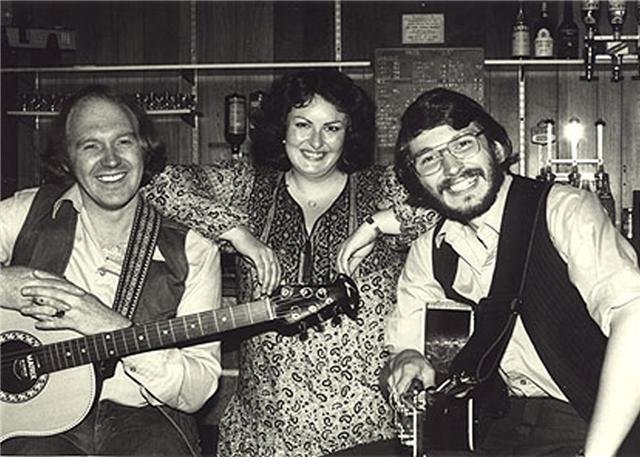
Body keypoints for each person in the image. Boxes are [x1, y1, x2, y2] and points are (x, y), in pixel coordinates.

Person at [142, 69, 436, 456]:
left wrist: (377, 224)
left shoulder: (382, 187)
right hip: (263, 436)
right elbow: (155, 183)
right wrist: (237, 233)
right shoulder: (247, 188)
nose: (316, 142)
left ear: (349, 135)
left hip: (366, 431)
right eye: (303, 124)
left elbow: (450, 205)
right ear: (282, 128)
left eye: (332, 128)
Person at [336, 88, 640, 456]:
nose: (451, 169)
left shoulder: (564, 209)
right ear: (417, 181)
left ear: (496, 148)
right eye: (429, 159)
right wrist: (407, 359)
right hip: (499, 425)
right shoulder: (429, 250)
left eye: (462, 144)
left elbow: (632, 314)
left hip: (591, 419)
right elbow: (405, 346)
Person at [0, 85, 223, 456]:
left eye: (123, 142)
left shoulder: (192, 248)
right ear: (67, 159)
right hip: (30, 416)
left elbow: (199, 388)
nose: (111, 161)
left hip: (147, 417)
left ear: (143, 148)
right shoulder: (25, 213)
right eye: (90, 146)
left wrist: (110, 327)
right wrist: (5, 285)